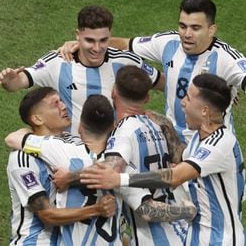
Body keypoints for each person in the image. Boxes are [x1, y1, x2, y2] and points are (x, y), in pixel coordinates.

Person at [58, 0, 246, 144]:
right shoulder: (168, 43)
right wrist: (84, 45)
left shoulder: (224, 57)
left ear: (211, 29)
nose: (187, 34)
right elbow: (126, 43)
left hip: (209, 143)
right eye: (183, 26)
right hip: (173, 143)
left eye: (195, 28)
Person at [80, 73, 246, 246]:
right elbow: (184, 159)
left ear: (205, 111)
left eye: (188, 99)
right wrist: (162, 121)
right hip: (197, 237)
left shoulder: (220, 144)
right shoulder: (200, 139)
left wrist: (119, 178)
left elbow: (175, 176)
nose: (182, 103)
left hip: (220, 241)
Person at [53, 66, 195, 245]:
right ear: (146, 98)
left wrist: (69, 177)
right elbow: (182, 161)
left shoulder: (122, 134)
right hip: (182, 232)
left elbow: (110, 170)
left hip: (153, 238)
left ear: (113, 92)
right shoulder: (161, 123)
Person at [0, 5, 164, 135]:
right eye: (90, 40)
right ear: (77, 35)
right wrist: (9, 80)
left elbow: (163, 83)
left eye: (103, 40)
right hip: (71, 156)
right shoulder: (58, 62)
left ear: (110, 34)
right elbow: (18, 83)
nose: (97, 48)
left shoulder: (126, 61)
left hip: (117, 155)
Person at [6, 87, 116, 245]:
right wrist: (96, 210)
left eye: (61, 101)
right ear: (37, 119)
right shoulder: (23, 158)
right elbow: (46, 215)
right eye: (55, 104)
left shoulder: (76, 143)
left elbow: (107, 166)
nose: (63, 106)